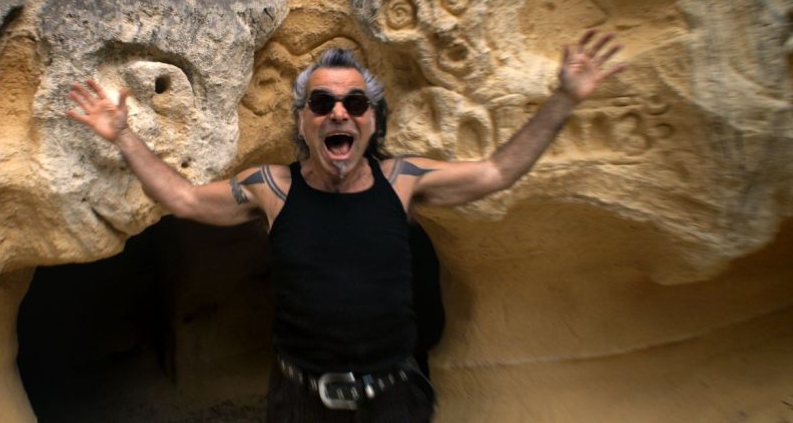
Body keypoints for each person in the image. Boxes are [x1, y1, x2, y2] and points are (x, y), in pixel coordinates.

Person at [67, 30, 623, 422]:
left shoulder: (403, 180)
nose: (340, 112)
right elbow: (184, 199)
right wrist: (123, 136)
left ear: (372, 121)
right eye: (323, 102)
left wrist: (564, 98)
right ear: (302, 120)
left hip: (394, 400)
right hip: (299, 401)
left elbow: (498, 171)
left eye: (356, 103)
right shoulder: (271, 188)